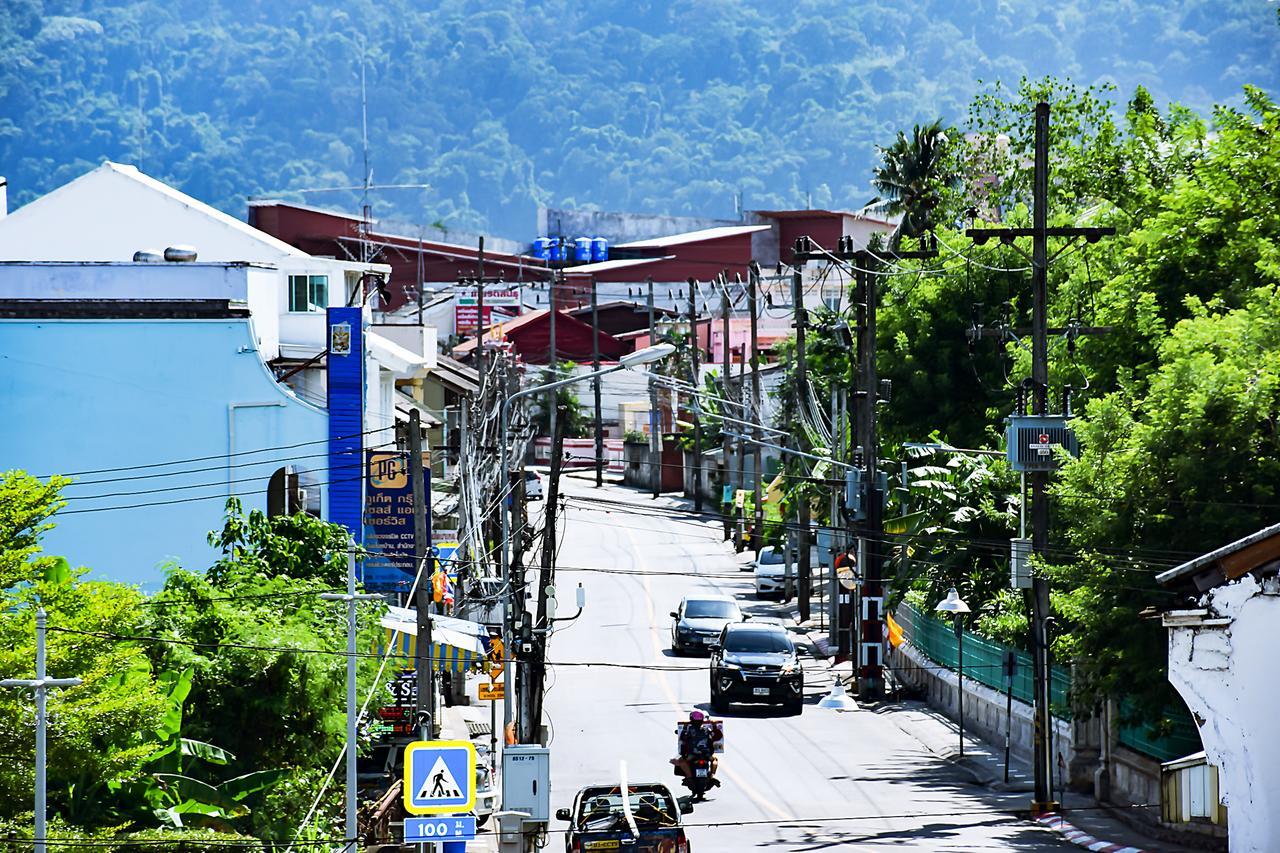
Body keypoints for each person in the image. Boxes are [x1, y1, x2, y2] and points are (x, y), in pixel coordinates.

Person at [672, 710, 722, 783]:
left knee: (681, 761)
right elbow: (717, 736)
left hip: (692, 755)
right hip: (706, 755)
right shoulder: (707, 729)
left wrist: (685, 727)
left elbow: (682, 738)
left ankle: (689, 777)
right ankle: (712, 775)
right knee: (714, 760)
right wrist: (714, 726)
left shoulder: (689, 730)